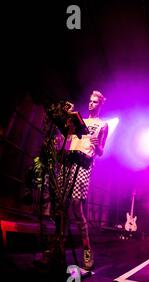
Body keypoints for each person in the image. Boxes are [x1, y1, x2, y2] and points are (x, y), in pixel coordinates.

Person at [64, 90, 109, 269]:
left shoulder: (103, 125)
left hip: (84, 165)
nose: (91, 104)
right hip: (69, 162)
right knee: (61, 206)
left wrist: (97, 146)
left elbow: (101, 151)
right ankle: (56, 249)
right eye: (90, 101)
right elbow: (68, 139)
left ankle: (86, 248)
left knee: (76, 206)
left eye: (95, 102)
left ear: (100, 104)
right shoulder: (79, 120)